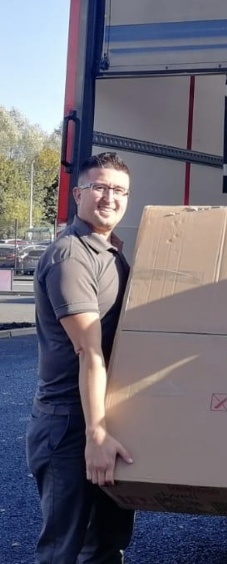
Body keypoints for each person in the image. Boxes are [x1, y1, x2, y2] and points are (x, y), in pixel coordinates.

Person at [26, 152, 135, 563]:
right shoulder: (70, 258)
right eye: (100, 187)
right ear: (78, 194)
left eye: (120, 190)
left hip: (100, 414)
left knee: (107, 542)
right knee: (62, 550)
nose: (110, 197)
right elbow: (88, 351)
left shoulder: (110, 252)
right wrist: (97, 435)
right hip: (71, 422)